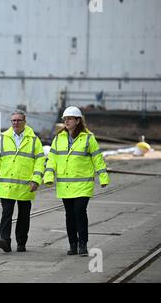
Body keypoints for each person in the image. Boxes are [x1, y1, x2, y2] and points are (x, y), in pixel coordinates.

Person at [43, 106, 110, 256]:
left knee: (79, 212)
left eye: (69, 119)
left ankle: (83, 244)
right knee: (69, 215)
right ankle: (72, 244)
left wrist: (103, 177)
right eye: (65, 119)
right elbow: (52, 159)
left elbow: (97, 159)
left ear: (78, 120)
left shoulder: (88, 138)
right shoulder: (58, 138)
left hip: (83, 184)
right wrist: (48, 176)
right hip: (65, 185)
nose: (66, 121)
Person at [0, 110, 45, 252]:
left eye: (19, 120)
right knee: (6, 213)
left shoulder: (33, 140)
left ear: (25, 122)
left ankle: (21, 242)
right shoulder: (3, 138)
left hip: (26, 185)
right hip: (7, 184)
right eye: (13, 120)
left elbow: (40, 161)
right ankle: (5, 240)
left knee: (24, 216)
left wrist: (36, 180)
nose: (16, 123)